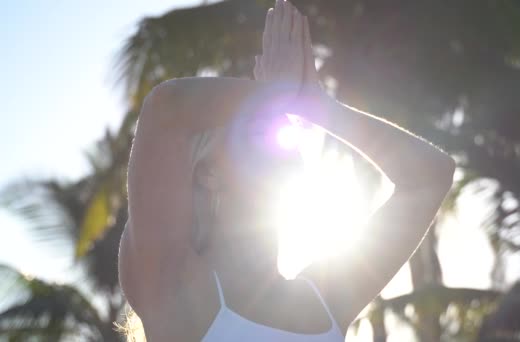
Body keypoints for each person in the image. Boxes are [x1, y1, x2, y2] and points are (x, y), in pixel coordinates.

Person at [118, 0, 455, 341]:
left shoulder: (326, 297)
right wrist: (274, 94)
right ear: (208, 174)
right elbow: (166, 109)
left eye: (279, 124)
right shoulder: (176, 284)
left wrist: (318, 105)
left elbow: (431, 175)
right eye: (253, 125)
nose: (274, 130)